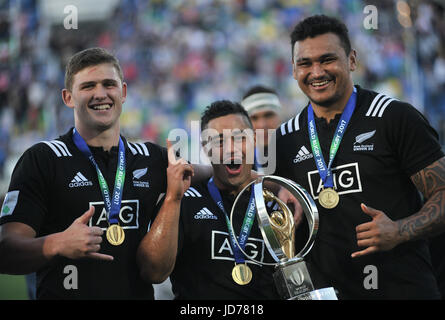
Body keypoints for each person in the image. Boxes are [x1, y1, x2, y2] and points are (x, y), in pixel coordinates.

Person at [273, 14, 445, 299]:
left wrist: (400, 230)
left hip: (403, 290)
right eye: (305, 63)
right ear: (293, 70)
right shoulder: (284, 139)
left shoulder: (394, 117)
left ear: (351, 60)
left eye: (327, 59)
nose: (316, 72)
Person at [0, 47, 194, 299]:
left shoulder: (152, 157)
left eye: (108, 84)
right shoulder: (43, 159)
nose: (100, 94)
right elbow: (5, 251)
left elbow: (209, 173)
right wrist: (56, 244)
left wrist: (255, 177)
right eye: (88, 86)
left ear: (123, 92)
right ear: (68, 97)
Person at [137, 100, 280, 299]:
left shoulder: (276, 204)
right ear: (205, 148)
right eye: (219, 141)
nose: (232, 149)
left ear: (254, 140)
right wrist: (173, 198)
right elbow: (153, 271)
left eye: (239, 138)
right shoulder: (185, 199)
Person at [241, 85, 282, 174]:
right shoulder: (240, 163)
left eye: (268, 115)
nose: (262, 125)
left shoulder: (301, 152)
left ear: (280, 117)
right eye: (254, 118)